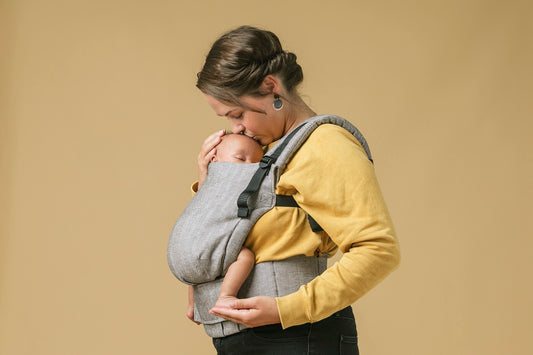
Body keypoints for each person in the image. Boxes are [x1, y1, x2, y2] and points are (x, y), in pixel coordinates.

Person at [191, 25, 400, 354]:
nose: (236, 129)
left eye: (238, 113)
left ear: (271, 87)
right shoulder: (266, 154)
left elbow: (378, 250)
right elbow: (229, 237)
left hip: (297, 338)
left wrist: (285, 310)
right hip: (251, 339)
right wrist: (209, 183)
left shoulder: (326, 145)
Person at [186, 134, 263, 324]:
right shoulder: (219, 185)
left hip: (199, 244)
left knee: (198, 271)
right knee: (245, 257)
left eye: (257, 163)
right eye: (240, 158)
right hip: (208, 240)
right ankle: (226, 296)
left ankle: (193, 307)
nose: (249, 167)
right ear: (215, 160)